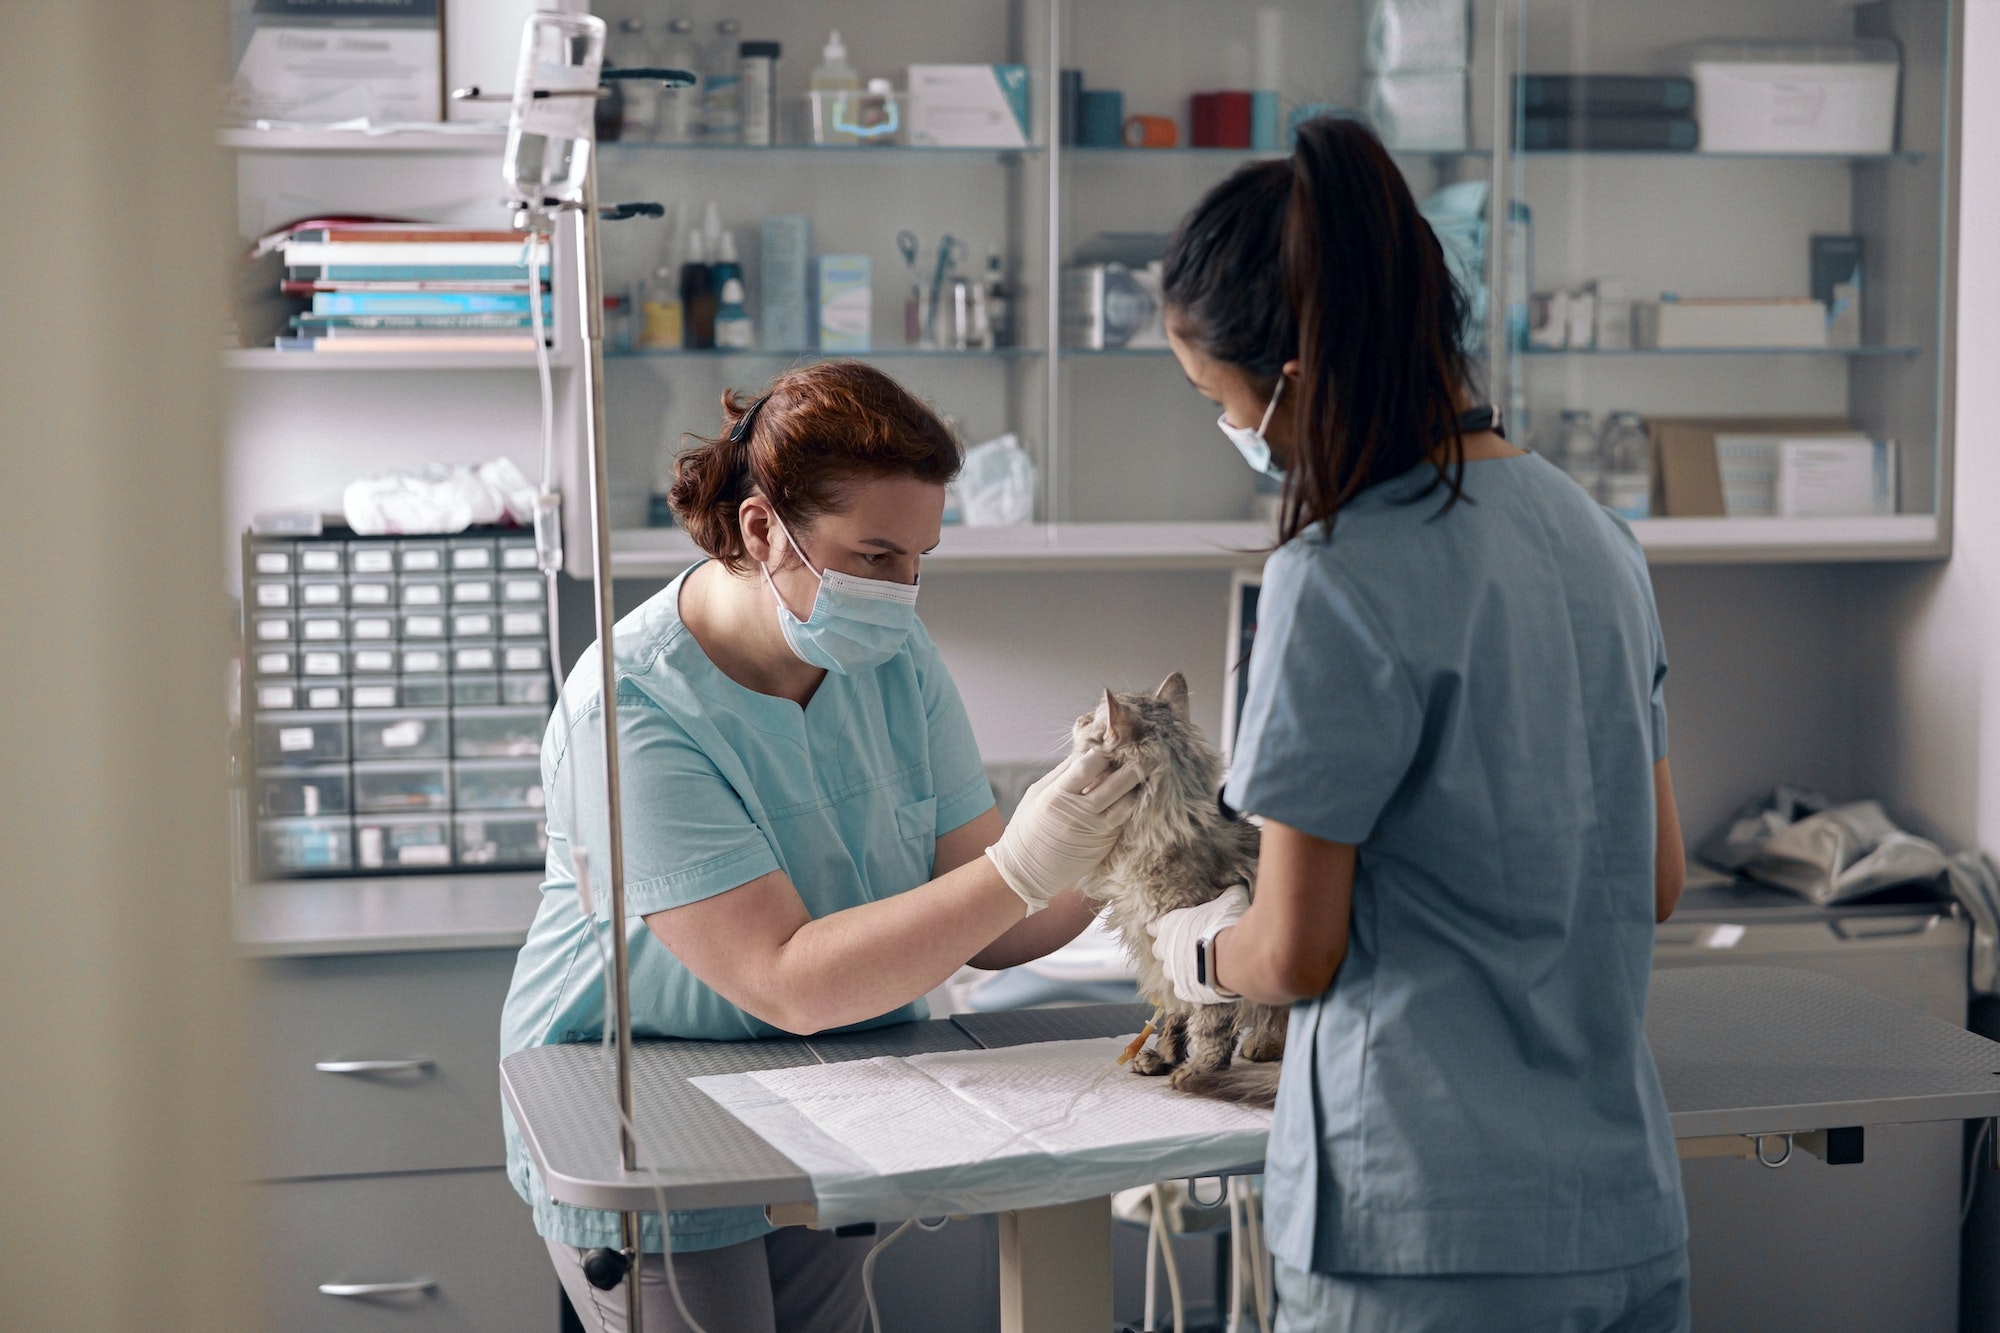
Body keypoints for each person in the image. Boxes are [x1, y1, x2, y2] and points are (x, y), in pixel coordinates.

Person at [1145, 117, 1691, 1332]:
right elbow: (1654, 875)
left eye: (1213, 397)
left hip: (1425, 1235)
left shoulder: (1336, 575)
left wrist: (1199, 947)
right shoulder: (1598, 540)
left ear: (1290, 374)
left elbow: (1295, 951)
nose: (1230, 431)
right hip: (1617, 1215)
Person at [500, 360, 1141, 1333]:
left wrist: (1119, 847)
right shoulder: (629, 711)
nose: (903, 588)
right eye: (876, 556)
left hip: (825, 1080)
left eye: (919, 557)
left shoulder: (886, 656)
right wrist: (1020, 866)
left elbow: (982, 915)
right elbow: (786, 976)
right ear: (761, 528)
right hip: (646, 1097)